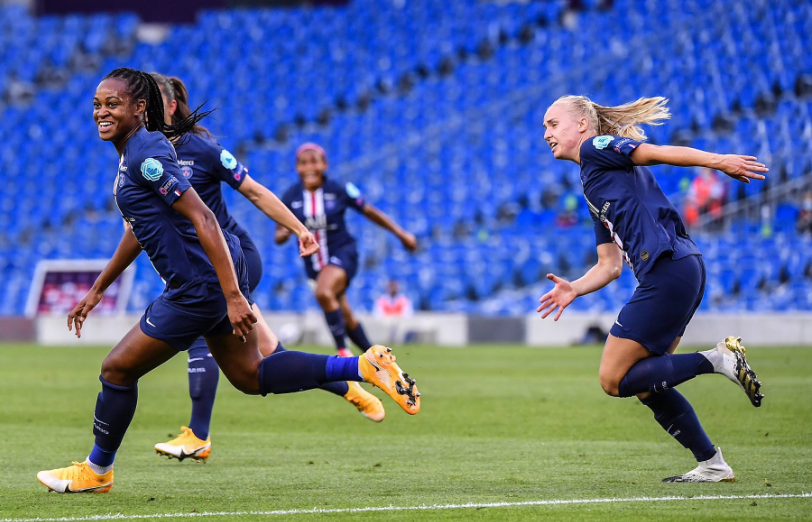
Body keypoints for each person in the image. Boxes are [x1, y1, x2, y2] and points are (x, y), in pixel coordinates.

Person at [37, 68, 420, 494]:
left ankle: (97, 470)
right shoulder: (140, 152)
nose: (101, 112)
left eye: (113, 104)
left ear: (139, 108)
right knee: (250, 375)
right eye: (97, 104)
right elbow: (138, 230)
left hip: (198, 286)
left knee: (116, 370)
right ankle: (362, 367)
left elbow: (204, 217)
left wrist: (235, 295)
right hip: (210, 279)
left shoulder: (146, 155)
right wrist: (97, 289)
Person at [148, 73, 386, 463]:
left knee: (200, 331)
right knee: (269, 353)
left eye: (152, 101)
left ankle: (198, 435)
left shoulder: (202, 150)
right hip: (197, 267)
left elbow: (255, 191)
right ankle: (347, 383)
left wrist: (299, 229)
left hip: (233, 258)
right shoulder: (143, 155)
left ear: (171, 106)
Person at [537, 95, 766, 482]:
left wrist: (718, 161)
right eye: (545, 127)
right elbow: (609, 266)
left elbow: (655, 152)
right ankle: (712, 463)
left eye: (553, 124)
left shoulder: (595, 148)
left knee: (612, 379)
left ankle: (717, 359)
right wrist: (573, 288)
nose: (546, 134)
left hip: (668, 269)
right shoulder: (593, 182)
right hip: (682, 269)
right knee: (646, 382)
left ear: (582, 125)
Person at [276, 144, 418, 357]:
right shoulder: (291, 196)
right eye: (303, 163)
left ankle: (343, 351)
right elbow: (278, 235)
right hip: (314, 266)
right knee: (346, 317)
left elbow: (369, 211)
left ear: (324, 165)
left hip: (343, 253)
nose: (309, 167)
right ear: (297, 168)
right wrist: (285, 232)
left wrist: (401, 234)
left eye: (314, 161)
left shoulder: (338, 189)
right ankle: (379, 361)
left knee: (324, 292)